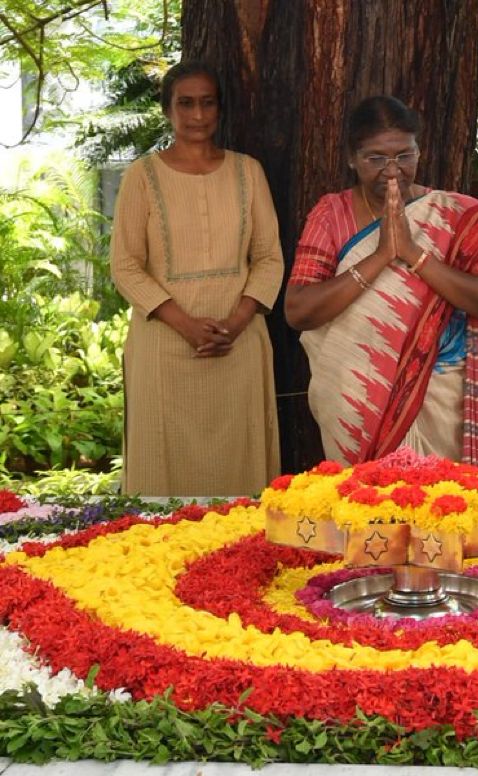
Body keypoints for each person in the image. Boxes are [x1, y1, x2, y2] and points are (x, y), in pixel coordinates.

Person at [285, 95, 478, 473]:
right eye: (376, 158)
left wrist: (413, 253)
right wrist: (382, 254)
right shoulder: (332, 215)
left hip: (440, 393)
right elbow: (298, 310)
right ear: (351, 158)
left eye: (404, 155)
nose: (392, 171)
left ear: (419, 151)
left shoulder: (452, 215)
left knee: (444, 502)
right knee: (368, 502)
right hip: (355, 396)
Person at [109, 61, 283, 496]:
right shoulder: (141, 177)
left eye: (208, 103)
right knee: (161, 479)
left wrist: (236, 323)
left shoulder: (249, 172)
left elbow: (269, 258)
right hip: (164, 350)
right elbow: (125, 265)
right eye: (185, 104)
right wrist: (186, 325)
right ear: (167, 109)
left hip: (239, 347)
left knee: (243, 481)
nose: (198, 115)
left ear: (220, 108)